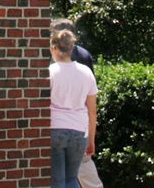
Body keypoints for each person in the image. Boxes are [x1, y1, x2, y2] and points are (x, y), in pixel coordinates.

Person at [51, 19, 103, 188]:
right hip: (79, 131)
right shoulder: (86, 72)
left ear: (54, 48)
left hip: (55, 129)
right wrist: (91, 139)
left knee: (58, 181)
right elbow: (92, 111)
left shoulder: (49, 72)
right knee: (72, 179)